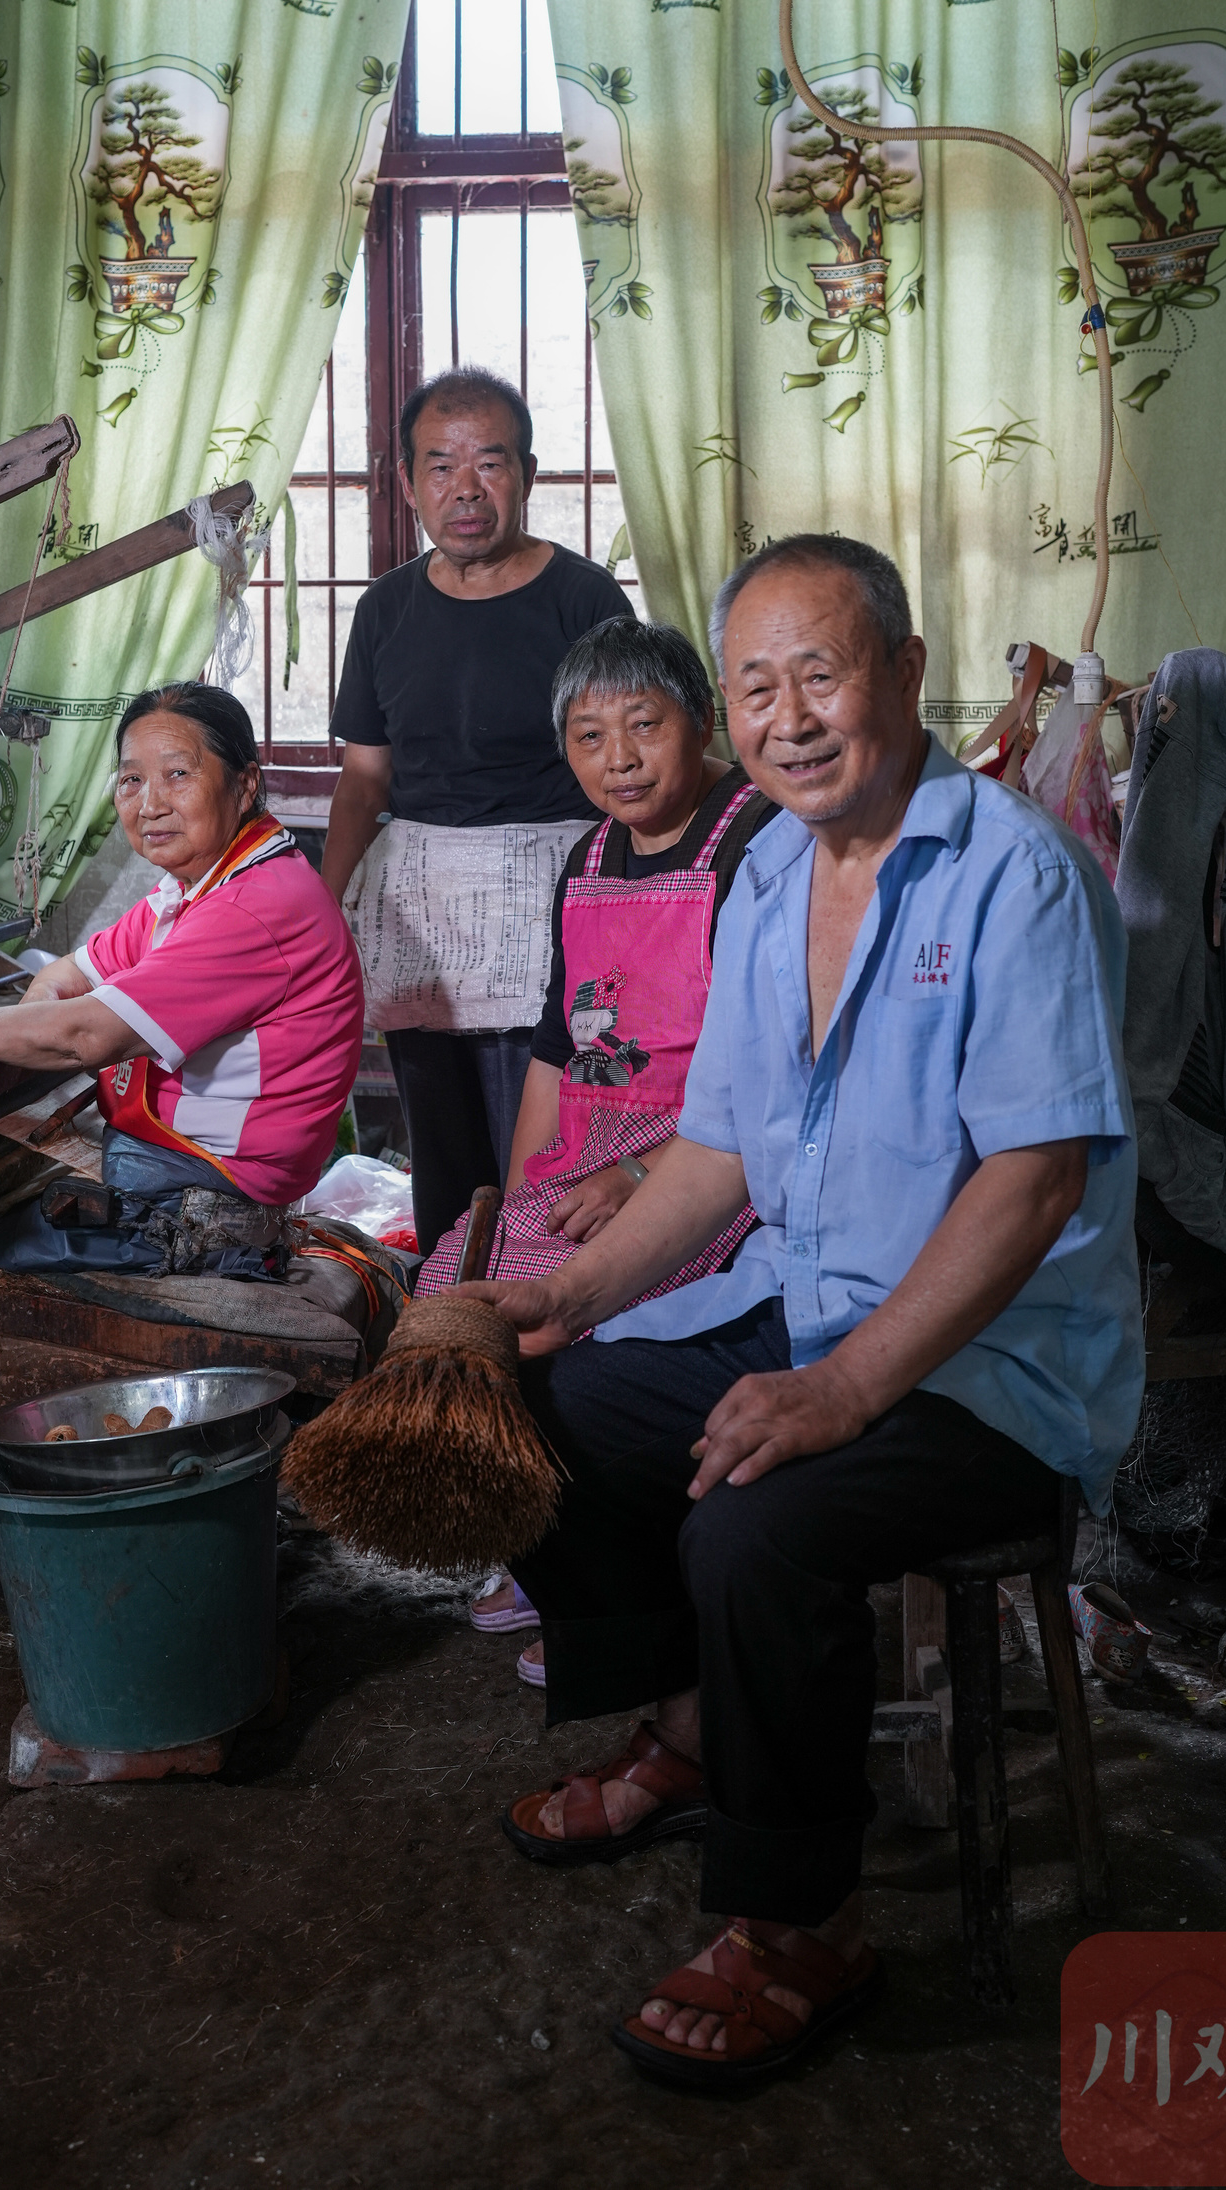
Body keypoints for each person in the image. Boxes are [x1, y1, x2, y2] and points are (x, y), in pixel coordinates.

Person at [462, 534, 1142, 2093]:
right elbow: (719, 1150)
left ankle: (799, 1917)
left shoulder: (1017, 874)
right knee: (551, 1400)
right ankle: (702, 1737)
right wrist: (564, 1293)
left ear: (903, 671)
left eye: (820, 674)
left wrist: (838, 1399)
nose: (787, 717)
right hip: (813, 1301)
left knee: (754, 1521)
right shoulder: (766, 866)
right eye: (755, 686)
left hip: (994, 1368)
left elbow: (1032, 1187)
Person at [409, 616, 772, 1677]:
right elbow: (561, 1044)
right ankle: (545, 1545)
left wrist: (641, 1178)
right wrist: (529, 1187)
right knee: (457, 1282)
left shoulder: (753, 839)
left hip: (711, 1159)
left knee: (581, 1336)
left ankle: (621, 1564)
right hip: (594, 1152)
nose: (616, 758)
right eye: (586, 735)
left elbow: (770, 1072)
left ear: (698, 719)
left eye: (641, 726)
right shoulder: (588, 853)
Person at [0, 684, 364, 1209]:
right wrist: (29, 1037)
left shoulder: (254, 907)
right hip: (184, 1153)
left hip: (214, 1175)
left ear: (245, 785)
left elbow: (85, 1036)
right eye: (132, 779)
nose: (150, 804)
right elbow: (67, 974)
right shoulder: (198, 887)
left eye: (178, 774)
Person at [323, 366, 633, 1255]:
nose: (466, 490)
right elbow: (364, 780)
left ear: (527, 475)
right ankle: (445, 1341)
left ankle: (536, 1329)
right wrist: (324, 908)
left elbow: (630, 765)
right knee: (445, 1162)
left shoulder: (584, 601)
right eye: (441, 467)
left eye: (489, 464)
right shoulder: (385, 608)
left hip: (551, 901)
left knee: (539, 1155)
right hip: (418, 906)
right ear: (408, 482)